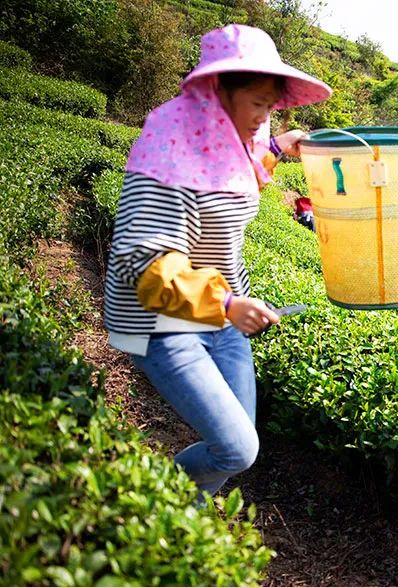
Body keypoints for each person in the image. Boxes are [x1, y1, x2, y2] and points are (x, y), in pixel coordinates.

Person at [103, 24, 332, 498]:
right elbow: (144, 262)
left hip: (222, 315)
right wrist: (227, 305)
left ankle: (176, 521)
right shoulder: (171, 150)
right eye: (257, 103)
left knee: (236, 449)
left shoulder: (228, 140)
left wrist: (277, 146)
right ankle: (142, 500)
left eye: (271, 106)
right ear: (218, 91)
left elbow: (230, 184)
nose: (264, 116)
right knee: (236, 449)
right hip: (162, 322)